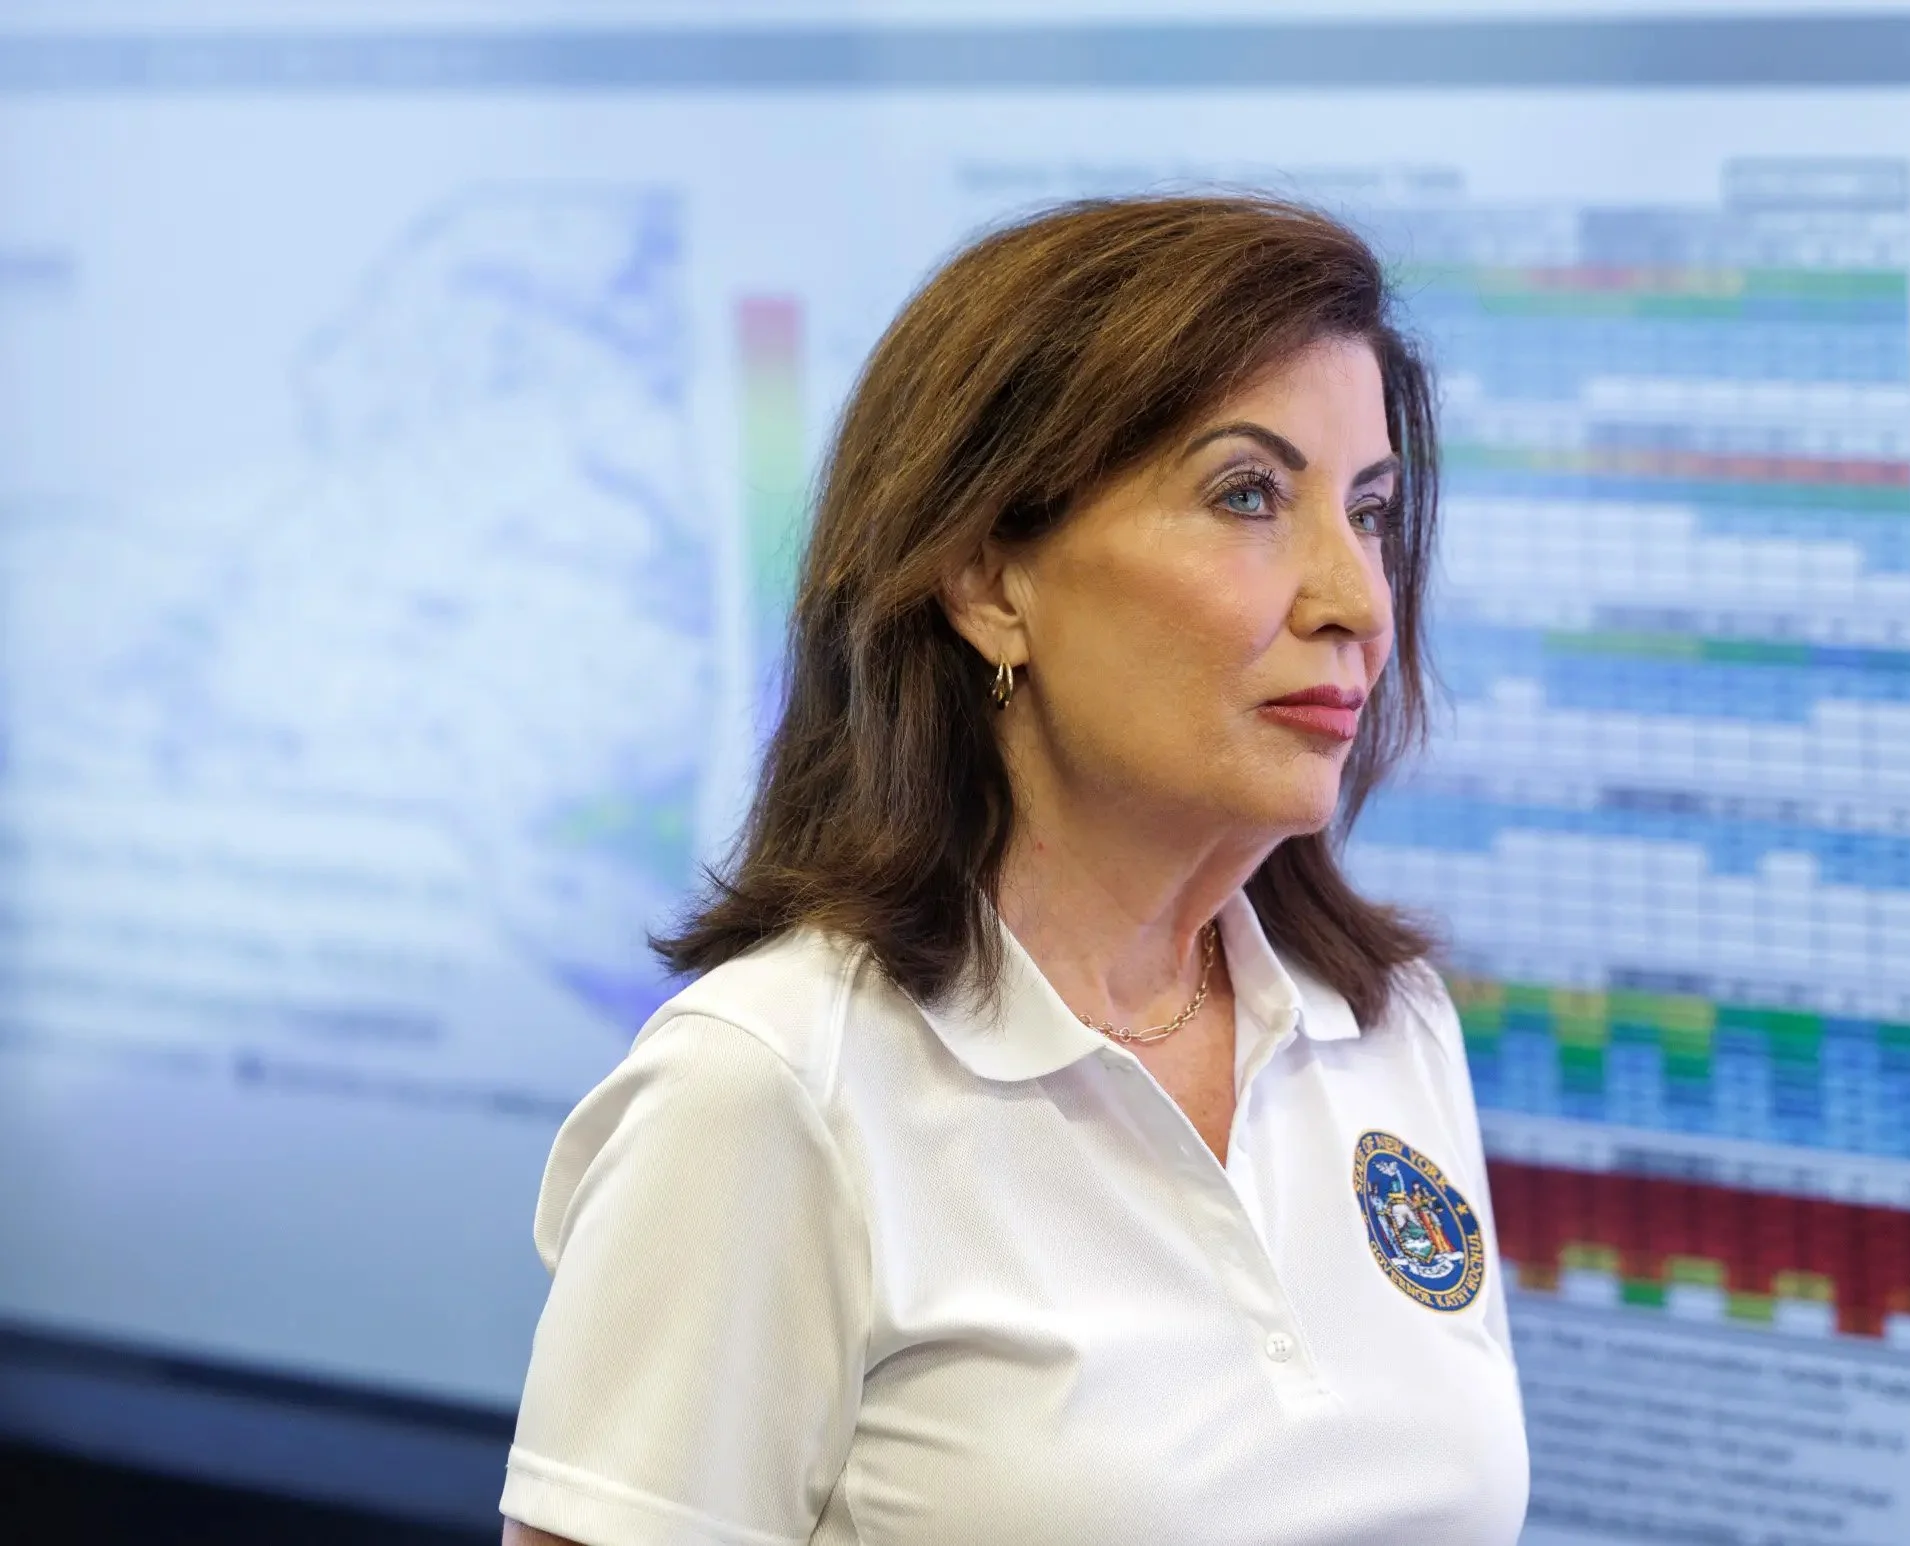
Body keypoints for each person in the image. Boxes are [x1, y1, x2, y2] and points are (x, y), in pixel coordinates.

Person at [499, 194, 1529, 1546]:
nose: (1358, 600)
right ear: (988, 582)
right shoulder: (771, 1086)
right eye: (1248, 496)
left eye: (1372, 511)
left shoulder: (1387, 1024)